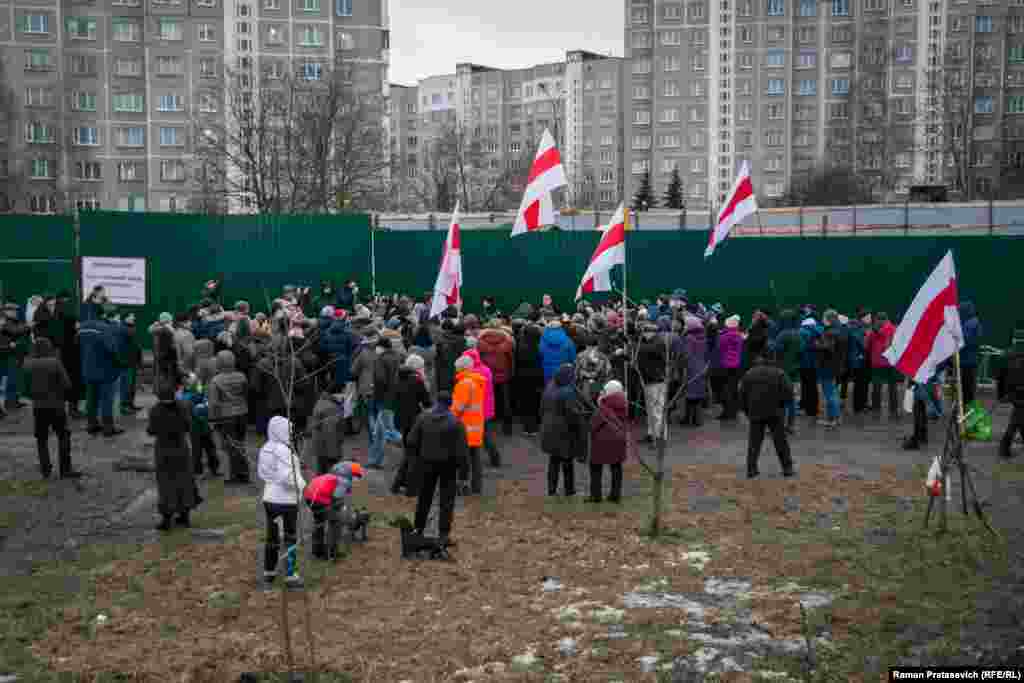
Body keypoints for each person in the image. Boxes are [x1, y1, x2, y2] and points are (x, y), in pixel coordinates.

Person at [408, 391, 468, 544]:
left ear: (436, 401)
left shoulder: (422, 418)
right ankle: (443, 534)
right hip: (448, 466)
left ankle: (418, 529)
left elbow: (411, 441)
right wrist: (463, 475)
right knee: (447, 500)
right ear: (450, 404)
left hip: (426, 462)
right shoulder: (456, 423)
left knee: (424, 497)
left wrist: (416, 460)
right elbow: (462, 452)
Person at [258, 416, 307, 588]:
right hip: (284, 500)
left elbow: (263, 473)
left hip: (270, 498)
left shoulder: (266, 448)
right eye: (289, 431)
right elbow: (287, 477)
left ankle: (269, 572)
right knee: (289, 537)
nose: (291, 434)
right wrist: (303, 485)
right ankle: (290, 574)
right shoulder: (282, 450)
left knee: (272, 536)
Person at [23, 337, 78, 479]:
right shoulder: (55, 363)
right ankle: (65, 469)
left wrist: (35, 395)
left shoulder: (27, 364)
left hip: (38, 407)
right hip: (56, 405)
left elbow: (24, 389)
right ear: (49, 348)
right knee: (63, 435)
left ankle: (45, 469)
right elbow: (67, 384)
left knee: (41, 439)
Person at [148, 386, 199, 531]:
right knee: (184, 481)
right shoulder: (183, 407)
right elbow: (189, 426)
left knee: (165, 484)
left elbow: (151, 430)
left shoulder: (155, 410)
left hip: (163, 449)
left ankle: (166, 519)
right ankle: (184, 516)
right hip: (181, 448)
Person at [739, 355, 796, 479]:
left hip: (755, 412)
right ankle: (787, 468)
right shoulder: (779, 373)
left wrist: (747, 411)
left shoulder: (749, 374)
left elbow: (742, 394)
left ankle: (751, 469)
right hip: (775, 412)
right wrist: (782, 406)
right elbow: (789, 393)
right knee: (780, 441)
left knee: (754, 442)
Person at [303, 461, 365, 560]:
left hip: (309, 496)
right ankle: (332, 552)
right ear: (352, 474)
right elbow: (336, 498)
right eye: (357, 476)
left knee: (319, 523)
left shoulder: (331, 476)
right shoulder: (344, 481)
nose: (356, 479)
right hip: (320, 499)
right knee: (336, 522)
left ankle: (317, 551)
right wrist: (342, 510)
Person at [80, 306, 123, 437]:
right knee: (106, 400)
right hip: (105, 370)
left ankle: (91, 425)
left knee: (91, 399)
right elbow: (112, 348)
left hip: (88, 369)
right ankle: (108, 428)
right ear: (103, 314)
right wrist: (118, 364)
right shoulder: (104, 328)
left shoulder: (82, 327)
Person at [208, 350, 250, 484]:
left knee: (230, 446)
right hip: (242, 413)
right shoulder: (241, 376)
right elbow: (246, 393)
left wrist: (212, 419)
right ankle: (244, 473)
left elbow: (214, 403)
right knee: (241, 443)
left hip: (226, 415)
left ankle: (234, 474)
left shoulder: (216, 380)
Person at [540, 363, 583, 497]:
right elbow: (572, 414)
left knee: (553, 460)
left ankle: (551, 490)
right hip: (563, 432)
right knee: (567, 462)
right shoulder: (567, 392)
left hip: (548, 429)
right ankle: (569, 490)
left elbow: (541, 409)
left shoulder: (549, 387)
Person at [391, 354, 431, 496]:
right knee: (414, 455)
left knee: (408, 452)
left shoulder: (397, 379)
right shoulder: (417, 381)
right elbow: (426, 402)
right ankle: (411, 488)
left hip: (401, 421)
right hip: (415, 420)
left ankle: (398, 484)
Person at [588, 380, 628, 503]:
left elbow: (594, 424)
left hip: (601, 441)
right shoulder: (624, 403)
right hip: (619, 439)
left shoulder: (603, 404)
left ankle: (596, 495)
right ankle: (615, 495)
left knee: (595, 467)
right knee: (616, 467)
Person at [367, 337, 404, 469]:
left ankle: (410, 446)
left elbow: (380, 380)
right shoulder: (396, 357)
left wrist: (375, 392)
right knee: (381, 431)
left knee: (387, 431)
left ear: (381, 347)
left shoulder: (380, 360)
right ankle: (375, 460)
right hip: (394, 397)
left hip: (383, 399)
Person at [452, 354, 485, 495]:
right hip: (476, 426)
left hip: (464, 427)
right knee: (475, 458)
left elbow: (458, 408)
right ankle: (477, 487)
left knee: (461, 460)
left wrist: (448, 418)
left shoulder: (463, 384)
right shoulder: (477, 382)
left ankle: (462, 486)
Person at [465, 348, 501, 468]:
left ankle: (473, 461)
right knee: (485, 435)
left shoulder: (470, 373)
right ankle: (495, 457)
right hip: (486, 407)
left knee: (476, 436)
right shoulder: (486, 369)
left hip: (475, 409)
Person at [477, 321, 516, 432]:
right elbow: (510, 358)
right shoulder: (508, 341)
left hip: (487, 373)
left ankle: (489, 422)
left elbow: (479, 357)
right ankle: (507, 425)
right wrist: (511, 371)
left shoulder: (480, 341)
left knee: (488, 397)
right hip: (503, 372)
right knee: (505, 399)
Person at [180, 373, 220, 477]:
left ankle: (208, 469)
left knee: (207, 448)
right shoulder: (186, 395)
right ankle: (200, 470)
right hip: (197, 425)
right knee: (200, 449)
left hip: (201, 425)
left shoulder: (193, 392)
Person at [636, 322, 669, 443]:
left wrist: (633, 344)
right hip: (651, 379)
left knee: (657, 410)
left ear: (650, 332)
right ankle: (652, 433)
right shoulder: (652, 342)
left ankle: (660, 436)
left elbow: (646, 350)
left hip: (656, 380)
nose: (643, 335)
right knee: (651, 410)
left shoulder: (657, 343)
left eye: (644, 332)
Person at [815, 310, 847, 430]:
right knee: (833, 393)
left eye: (824, 317)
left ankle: (833, 419)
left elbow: (827, 347)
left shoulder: (830, 333)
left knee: (830, 394)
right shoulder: (840, 330)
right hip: (836, 366)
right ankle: (834, 418)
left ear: (829, 318)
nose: (822, 319)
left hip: (827, 367)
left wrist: (817, 344)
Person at [866, 312, 901, 418]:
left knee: (877, 386)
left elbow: (867, 344)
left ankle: (876, 409)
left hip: (877, 362)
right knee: (893, 387)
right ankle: (894, 409)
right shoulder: (894, 329)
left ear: (878, 319)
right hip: (891, 361)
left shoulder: (873, 331)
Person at [514, 321, 545, 436]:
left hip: (523, 377)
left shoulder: (520, 347)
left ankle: (527, 427)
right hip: (536, 377)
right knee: (535, 402)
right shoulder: (539, 348)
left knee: (525, 402)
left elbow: (516, 362)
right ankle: (534, 426)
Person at [1, 301, 30, 414]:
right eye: (13, 310)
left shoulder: (13, 321)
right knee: (11, 379)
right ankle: (10, 402)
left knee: (16, 378)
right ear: (7, 311)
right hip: (9, 354)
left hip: (16, 354)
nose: (16, 312)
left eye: (16, 311)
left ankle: (14, 400)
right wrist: (26, 327)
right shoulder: (5, 322)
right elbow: (15, 331)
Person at [998, 340, 1024, 460]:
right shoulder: (1015, 360)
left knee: (1019, 418)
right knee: (1016, 420)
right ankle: (1004, 447)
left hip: (1014, 393)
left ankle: (1004, 447)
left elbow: (1000, 379)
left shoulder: (1008, 360)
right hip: (1019, 394)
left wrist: (1002, 395)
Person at [682, 315, 708, 427]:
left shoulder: (689, 338)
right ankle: (697, 420)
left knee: (689, 395)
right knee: (697, 396)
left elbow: (686, 354)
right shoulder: (704, 337)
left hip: (691, 368)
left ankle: (688, 418)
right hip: (701, 367)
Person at [717, 315, 744, 421]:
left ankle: (726, 412)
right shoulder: (739, 335)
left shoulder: (724, 336)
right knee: (734, 388)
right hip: (736, 365)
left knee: (725, 389)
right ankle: (734, 410)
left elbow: (719, 348)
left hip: (725, 365)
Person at [959, 301, 983, 407]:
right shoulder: (973, 322)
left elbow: (964, 341)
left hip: (966, 362)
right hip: (969, 361)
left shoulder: (970, 324)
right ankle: (966, 408)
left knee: (966, 389)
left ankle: (966, 410)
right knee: (968, 389)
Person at [798, 315, 822, 419]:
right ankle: (813, 409)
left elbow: (801, 348)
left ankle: (808, 409)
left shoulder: (803, 332)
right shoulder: (819, 331)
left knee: (806, 386)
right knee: (812, 387)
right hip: (815, 363)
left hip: (805, 363)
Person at [540, 318, 576, 385]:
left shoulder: (543, 340)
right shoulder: (567, 340)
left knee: (549, 388)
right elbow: (573, 357)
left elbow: (540, 354)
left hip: (548, 369)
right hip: (563, 370)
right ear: (560, 327)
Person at [119, 314, 143, 414]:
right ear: (125, 318)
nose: (134, 318)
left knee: (131, 385)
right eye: (131, 316)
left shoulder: (131, 328)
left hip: (132, 361)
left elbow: (136, 346)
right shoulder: (123, 329)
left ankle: (130, 404)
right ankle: (124, 406)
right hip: (126, 362)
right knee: (126, 385)